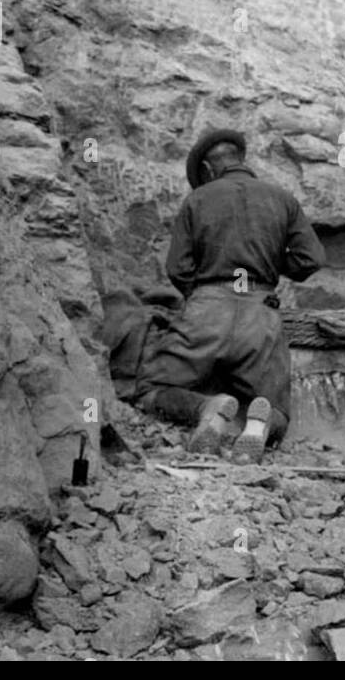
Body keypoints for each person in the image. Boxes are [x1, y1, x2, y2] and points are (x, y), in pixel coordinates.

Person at [130, 128, 325, 460]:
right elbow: (312, 259)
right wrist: (270, 264)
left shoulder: (197, 199)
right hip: (261, 316)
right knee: (275, 406)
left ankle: (208, 407)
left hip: (207, 310)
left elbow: (178, 268)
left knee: (150, 389)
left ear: (207, 169)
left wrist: (205, 296)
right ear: (240, 159)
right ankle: (258, 426)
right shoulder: (283, 199)